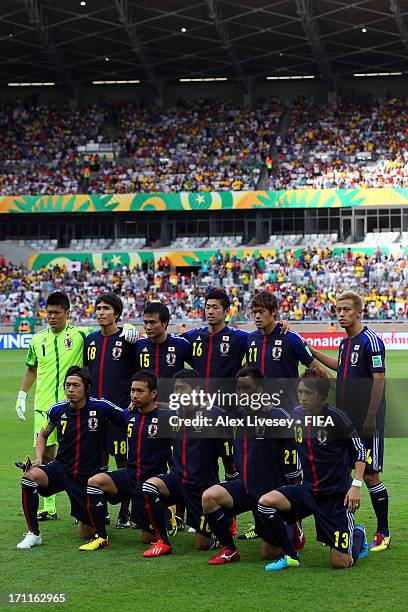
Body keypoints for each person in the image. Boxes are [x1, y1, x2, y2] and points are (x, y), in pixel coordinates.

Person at [15, 291, 137, 522]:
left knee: (118, 459)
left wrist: (130, 326)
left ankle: (122, 511)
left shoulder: (87, 335)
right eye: (48, 312)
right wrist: (22, 395)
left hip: (102, 409)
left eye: (56, 312)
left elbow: (114, 333)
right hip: (66, 408)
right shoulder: (57, 338)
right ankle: (66, 507)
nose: (52, 316)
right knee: (82, 459)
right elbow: (32, 368)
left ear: (67, 314)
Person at [258, 368, 368, 571]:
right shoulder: (296, 414)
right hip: (307, 491)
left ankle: (358, 533)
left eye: (308, 393)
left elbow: (361, 452)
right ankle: (291, 554)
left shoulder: (337, 418)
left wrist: (356, 485)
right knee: (265, 503)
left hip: (336, 498)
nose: (302, 397)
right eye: (300, 392)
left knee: (340, 562)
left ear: (322, 396)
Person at [309, 290, 390, 552]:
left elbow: (379, 379)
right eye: (338, 310)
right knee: (342, 473)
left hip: (366, 420)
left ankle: (383, 532)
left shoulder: (371, 341)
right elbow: (341, 365)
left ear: (359, 311)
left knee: (370, 474)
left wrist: (370, 414)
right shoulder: (345, 343)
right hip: (345, 422)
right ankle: (345, 529)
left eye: (346, 309)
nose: (341, 314)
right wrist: (312, 352)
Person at [16, 366, 126, 549]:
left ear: (86, 388)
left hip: (87, 476)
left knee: (86, 533)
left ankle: (96, 509)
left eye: (76, 385)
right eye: (68, 385)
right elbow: (42, 435)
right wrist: (38, 458)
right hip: (61, 469)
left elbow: (126, 418)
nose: (70, 390)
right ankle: (34, 533)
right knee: (29, 479)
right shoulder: (57, 410)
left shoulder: (102, 407)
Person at [202, 366, 301, 565]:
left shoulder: (277, 418)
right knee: (209, 497)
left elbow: (294, 465)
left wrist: (293, 505)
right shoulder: (237, 416)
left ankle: (293, 525)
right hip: (246, 487)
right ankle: (229, 549)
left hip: (273, 494)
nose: (241, 393)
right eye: (238, 388)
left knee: (269, 554)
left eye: (246, 388)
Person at [80, 371, 172, 551]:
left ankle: (165, 514)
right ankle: (102, 537)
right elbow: (108, 416)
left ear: (153, 393)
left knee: (147, 539)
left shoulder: (165, 418)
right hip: (129, 476)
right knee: (95, 481)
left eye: (140, 391)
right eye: (132, 391)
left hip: (151, 481)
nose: (134, 395)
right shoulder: (128, 416)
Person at [141, 369, 227, 557]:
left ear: (196, 389)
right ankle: (162, 540)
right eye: (175, 389)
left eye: (182, 388)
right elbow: (154, 408)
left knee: (202, 545)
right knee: (149, 486)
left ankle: (218, 527)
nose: (178, 393)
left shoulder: (212, 415)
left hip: (202, 487)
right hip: (177, 480)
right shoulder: (172, 415)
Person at [83, 292, 139, 528]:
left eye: (106, 308)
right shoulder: (91, 340)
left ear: (116, 313)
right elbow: (86, 373)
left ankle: (125, 513)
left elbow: (138, 372)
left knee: (123, 461)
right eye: (98, 308)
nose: (101, 313)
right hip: (95, 412)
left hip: (120, 412)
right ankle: (101, 509)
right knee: (98, 461)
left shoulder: (128, 340)